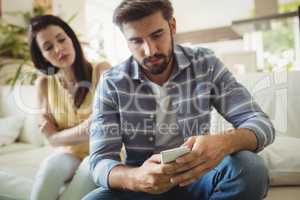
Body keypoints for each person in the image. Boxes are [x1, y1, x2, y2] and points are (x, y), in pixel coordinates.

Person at [85, 0, 275, 199]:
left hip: (200, 176)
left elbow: (260, 122)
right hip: (145, 186)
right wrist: (136, 177)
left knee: (250, 168)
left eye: (156, 35)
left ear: (172, 26)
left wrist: (223, 142)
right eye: (136, 41)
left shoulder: (204, 63)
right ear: (126, 41)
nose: (150, 50)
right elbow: (100, 161)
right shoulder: (112, 83)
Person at [28, 15, 110, 200]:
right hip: (69, 153)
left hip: (103, 152)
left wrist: (57, 136)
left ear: (71, 38)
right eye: (48, 47)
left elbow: (98, 126)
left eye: (61, 39)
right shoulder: (43, 84)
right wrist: (57, 139)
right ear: (42, 56)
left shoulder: (102, 70)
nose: (58, 49)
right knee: (51, 168)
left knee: (87, 171)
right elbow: (48, 137)